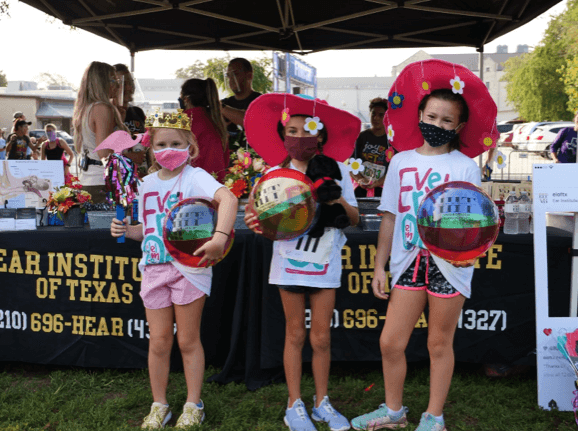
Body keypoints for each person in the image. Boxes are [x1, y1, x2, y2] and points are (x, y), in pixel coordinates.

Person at [351, 59, 498, 431]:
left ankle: (434, 418)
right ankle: (394, 411)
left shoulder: (465, 165)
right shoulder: (400, 161)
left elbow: (476, 220)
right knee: (391, 342)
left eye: (447, 121)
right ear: (419, 115)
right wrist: (379, 265)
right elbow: (389, 216)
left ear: (459, 126)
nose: (438, 125)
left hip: (449, 263)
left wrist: (470, 254)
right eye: (432, 117)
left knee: (438, 343)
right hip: (407, 261)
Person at [110, 110, 237, 429]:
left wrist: (219, 237)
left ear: (190, 145)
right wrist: (126, 230)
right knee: (159, 341)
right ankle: (160, 404)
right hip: (153, 269)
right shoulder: (145, 184)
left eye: (177, 143)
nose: (169, 149)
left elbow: (229, 199)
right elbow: (150, 229)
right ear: (151, 147)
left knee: (188, 341)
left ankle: (194, 404)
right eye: (162, 143)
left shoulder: (196, 177)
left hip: (189, 269)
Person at [244, 93, 360, 431]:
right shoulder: (274, 174)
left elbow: (353, 218)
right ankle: (294, 404)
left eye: (305, 130)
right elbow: (256, 217)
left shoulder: (337, 171)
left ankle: (322, 402)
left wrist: (334, 195)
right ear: (283, 134)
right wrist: (258, 221)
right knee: (294, 334)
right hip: (288, 263)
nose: (298, 138)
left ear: (321, 135)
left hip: (325, 262)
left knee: (321, 337)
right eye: (290, 131)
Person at [73, 61, 128, 203]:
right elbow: (105, 153)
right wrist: (133, 158)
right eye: (113, 80)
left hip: (90, 181)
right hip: (102, 183)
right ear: (101, 82)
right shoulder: (102, 108)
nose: (117, 85)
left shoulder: (86, 108)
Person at [180, 78, 229, 182]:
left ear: (186, 99)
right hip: (217, 186)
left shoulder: (184, 122)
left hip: (192, 186)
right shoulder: (216, 122)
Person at [350, 97, 394, 198]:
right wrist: (360, 179)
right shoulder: (361, 137)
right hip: (360, 190)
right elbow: (351, 165)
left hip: (384, 190)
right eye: (373, 114)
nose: (376, 118)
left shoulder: (391, 140)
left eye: (381, 115)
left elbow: (394, 170)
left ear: (387, 116)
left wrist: (378, 182)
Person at [114, 63, 149, 177]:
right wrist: (129, 157)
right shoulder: (106, 114)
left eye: (131, 83)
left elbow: (148, 140)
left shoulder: (137, 111)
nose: (129, 88)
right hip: (119, 178)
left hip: (141, 174)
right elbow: (101, 154)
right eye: (124, 83)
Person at [221, 58, 262, 143]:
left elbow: (249, 121)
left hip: (254, 155)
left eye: (235, 74)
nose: (231, 80)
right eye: (229, 76)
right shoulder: (226, 102)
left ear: (249, 76)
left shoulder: (261, 101)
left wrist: (221, 108)